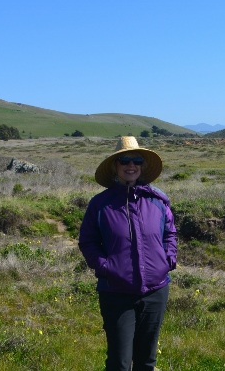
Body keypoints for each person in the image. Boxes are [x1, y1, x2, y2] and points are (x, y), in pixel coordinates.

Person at [79, 136, 177, 371]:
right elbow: (88, 241)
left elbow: (169, 234)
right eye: (124, 160)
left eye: (136, 160)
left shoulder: (157, 201)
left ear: (142, 166)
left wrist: (168, 261)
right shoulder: (100, 204)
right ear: (115, 166)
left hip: (156, 290)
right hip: (116, 292)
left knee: (147, 360)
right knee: (120, 362)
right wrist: (107, 268)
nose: (130, 165)